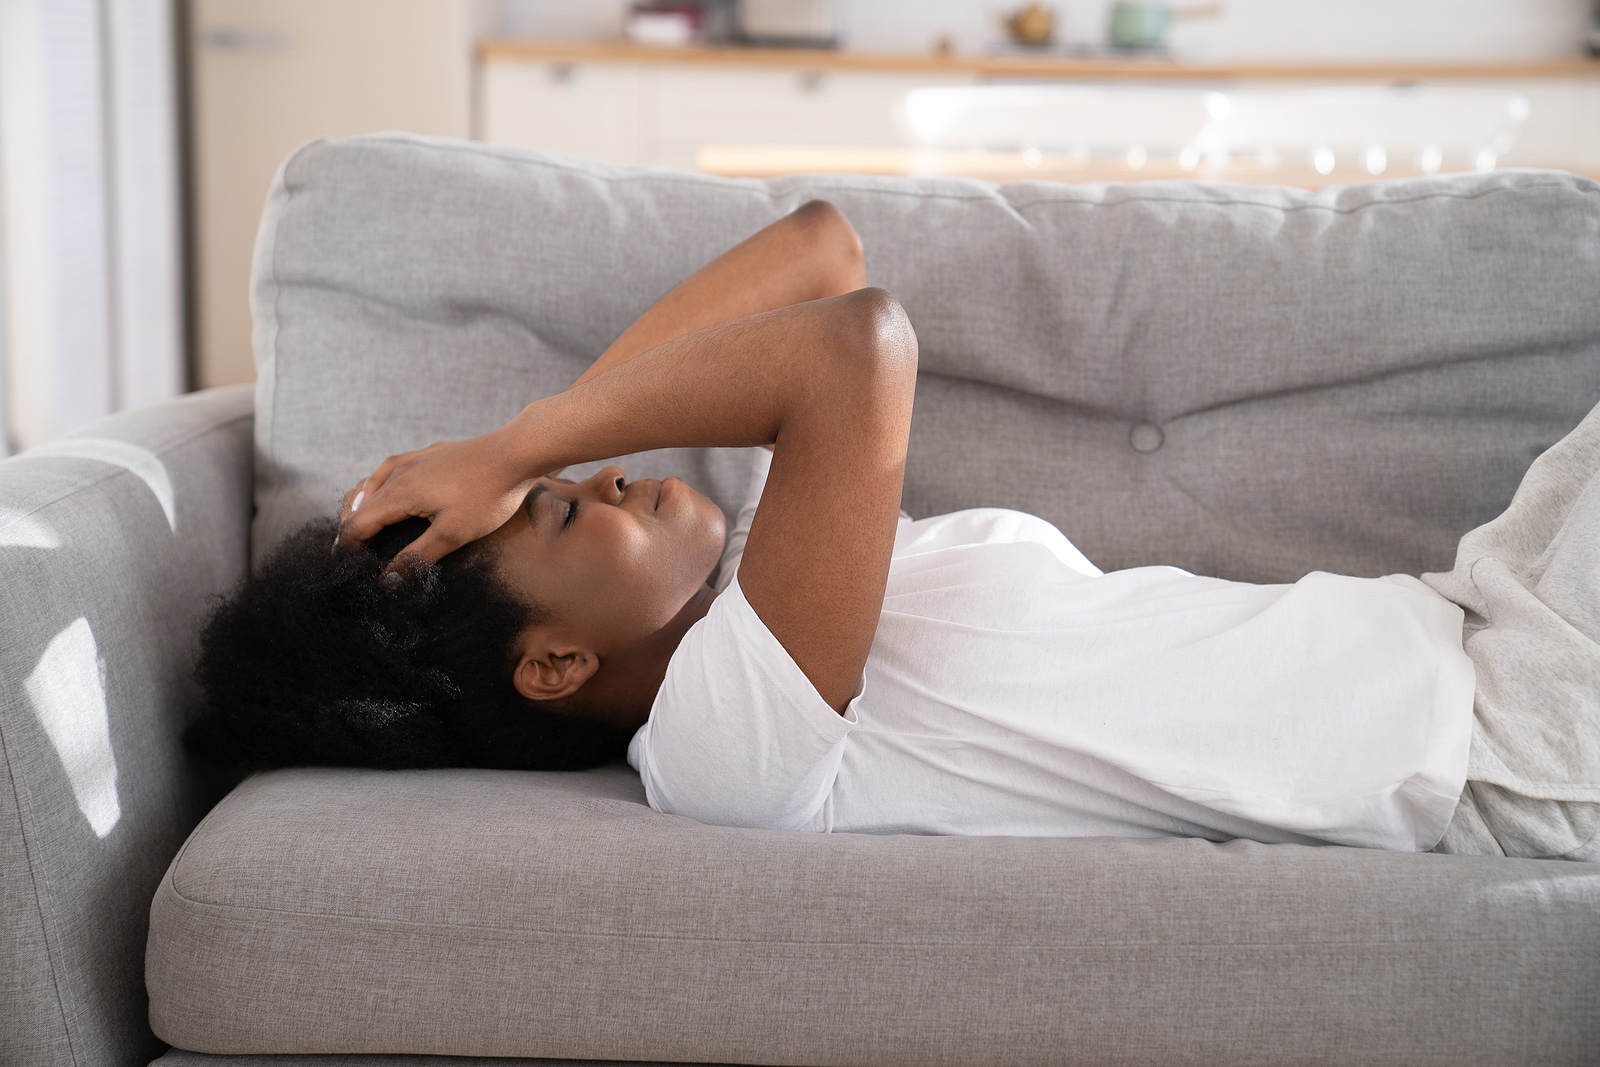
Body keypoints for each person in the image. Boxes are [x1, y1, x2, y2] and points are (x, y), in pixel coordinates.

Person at [188, 201, 1600, 861]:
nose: (605, 478)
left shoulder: (763, 604)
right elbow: (855, 341)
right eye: (561, 513)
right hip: (1507, 746)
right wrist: (512, 452)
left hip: (1466, 614)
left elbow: (819, 249)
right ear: (551, 668)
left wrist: (530, 445)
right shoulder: (727, 742)